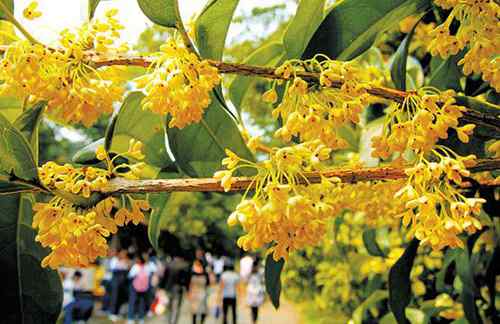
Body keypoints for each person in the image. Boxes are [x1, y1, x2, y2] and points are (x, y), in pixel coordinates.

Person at [161, 255, 191, 324]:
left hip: (168, 288)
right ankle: (173, 322)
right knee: (176, 308)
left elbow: (164, 278)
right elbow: (186, 280)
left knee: (169, 307)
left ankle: (168, 321)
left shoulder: (169, 265)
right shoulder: (183, 266)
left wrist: (162, 288)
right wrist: (187, 289)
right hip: (178, 289)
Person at [127, 255, 154, 324]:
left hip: (134, 287)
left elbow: (130, 275)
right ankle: (141, 318)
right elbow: (150, 274)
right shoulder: (147, 267)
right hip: (144, 288)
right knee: (142, 303)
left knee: (132, 302)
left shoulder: (135, 267)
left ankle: (130, 318)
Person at [109, 250, 131, 322]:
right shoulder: (115, 260)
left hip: (123, 282)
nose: (124, 255)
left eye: (125, 254)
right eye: (122, 254)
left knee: (121, 298)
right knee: (114, 297)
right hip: (116, 281)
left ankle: (118, 312)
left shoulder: (126, 261)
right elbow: (113, 268)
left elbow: (128, 269)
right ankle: (112, 313)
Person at [188, 259, 209, 324]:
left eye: (196, 264)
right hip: (194, 293)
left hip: (202, 293)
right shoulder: (192, 273)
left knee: (203, 310)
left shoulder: (205, 273)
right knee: (194, 311)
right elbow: (189, 283)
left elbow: (208, 283)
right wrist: (189, 292)